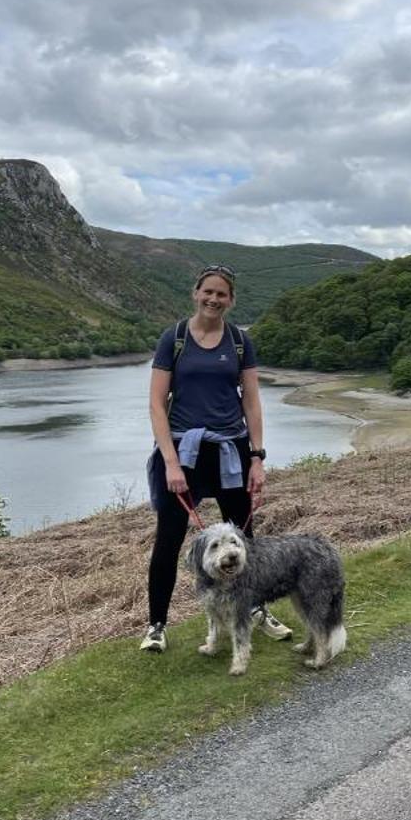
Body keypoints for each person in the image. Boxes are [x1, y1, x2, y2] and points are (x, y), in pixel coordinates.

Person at [140, 263, 292, 652]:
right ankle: (157, 626)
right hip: (183, 453)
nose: (213, 299)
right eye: (208, 291)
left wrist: (256, 457)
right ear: (196, 293)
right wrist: (171, 464)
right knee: (169, 542)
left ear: (231, 300)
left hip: (231, 450)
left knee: (245, 540)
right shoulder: (172, 338)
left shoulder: (240, 342)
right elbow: (157, 405)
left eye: (221, 294)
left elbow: (252, 403)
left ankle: (256, 609)